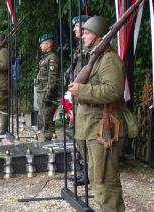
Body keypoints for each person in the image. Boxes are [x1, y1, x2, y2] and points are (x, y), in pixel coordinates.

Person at [68, 16, 125, 211]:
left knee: (105, 182)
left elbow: (114, 91)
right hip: (95, 127)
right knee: (96, 179)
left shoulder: (109, 59)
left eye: (87, 32)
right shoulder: (97, 58)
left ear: (98, 36)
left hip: (104, 127)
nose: (82, 36)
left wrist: (82, 91)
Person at [67, 15, 91, 186]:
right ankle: (83, 169)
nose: (75, 29)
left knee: (83, 136)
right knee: (78, 136)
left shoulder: (89, 49)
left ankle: (88, 172)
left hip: (83, 98)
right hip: (77, 96)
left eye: (77, 26)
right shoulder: (80, 47)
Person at [36, 33, 59, 141]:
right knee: (42, 116)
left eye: (42, 43)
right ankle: (45, 138)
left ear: (49, 44)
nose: (40, 46)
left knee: (47, 118)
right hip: (42, 90)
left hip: (46, 91)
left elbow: (52, 78)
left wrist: (49, 94)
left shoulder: (52, 58)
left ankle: (48, 140)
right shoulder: (45, 57)